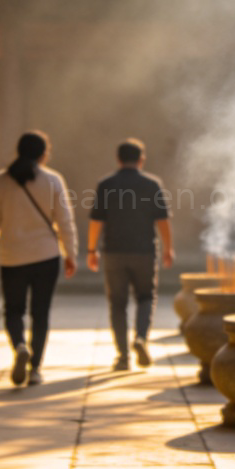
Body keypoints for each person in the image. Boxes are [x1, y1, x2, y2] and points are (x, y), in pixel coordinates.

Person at [0, 131, 77, 386]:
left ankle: (19, 346)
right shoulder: (53, 180)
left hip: (12, 257)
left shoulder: (2, 181)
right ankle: (35, 369)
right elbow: (65, 221)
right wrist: (71, 253)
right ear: (43, 154)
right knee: (40, 312)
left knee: (13, 310)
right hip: (46, 256)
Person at [87, 139, 174, 370]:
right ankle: (141, 338)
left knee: (117, 304)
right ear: (141, 159)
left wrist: (91, 249)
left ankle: (123, 357)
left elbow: (96, 220)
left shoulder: (106, 184)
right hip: (144, 251)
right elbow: (162, 220)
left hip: (114, 252)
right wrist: (168, 248)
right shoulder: (152, 184)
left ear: (118, 159)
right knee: (146, 297)